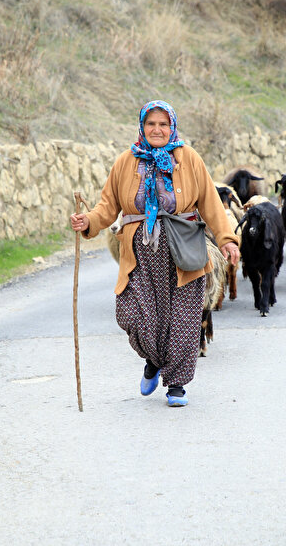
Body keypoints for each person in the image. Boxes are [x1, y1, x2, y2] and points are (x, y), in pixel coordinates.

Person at [69, 100, 240, 407]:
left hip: (183, 249)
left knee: (184, 321)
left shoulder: (188, 158)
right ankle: (153, 360)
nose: (157, 130)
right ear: (142, 127)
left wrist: (227, 239)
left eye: (163, 124)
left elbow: (211, 204)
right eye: (151, 124)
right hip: (140, 254)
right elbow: (107, 207)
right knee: (131, 315)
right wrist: (89, 222)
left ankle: (176, 386)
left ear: (172, 126)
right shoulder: (126, 162)